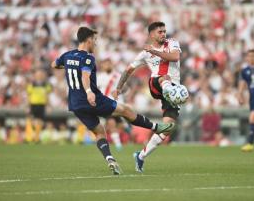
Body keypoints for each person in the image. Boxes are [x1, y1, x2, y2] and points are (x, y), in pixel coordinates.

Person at [51, 26, 174, 175]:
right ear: (89, 39)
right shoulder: (88, 58)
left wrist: (70, 66)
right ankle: (156, 127)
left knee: (100, 132)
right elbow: (84, 76)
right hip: (93, 99)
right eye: (94, 40)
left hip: (75, 104)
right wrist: (89, 92)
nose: (95, 43)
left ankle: (110, 158)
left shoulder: (67, 55)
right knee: (125, 110)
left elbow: (54, 64)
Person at [113, 21, 182, 172]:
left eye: (164, 31)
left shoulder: (172, 43)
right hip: (156, 84)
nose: (163, 34)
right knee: (164, 78)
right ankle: (170, 89)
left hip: (171, 91)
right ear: (151, 34)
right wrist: (118, 88)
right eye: (160, 32)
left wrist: (154, 51)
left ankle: (141, 156)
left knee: (167, 129)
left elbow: (175, 57)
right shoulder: (144, 54)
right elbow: (128, 70)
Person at [97, 58, 126, 151]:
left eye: (109, 63)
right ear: (102, 66)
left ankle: (104, 137)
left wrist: (119, 91)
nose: (107, 65)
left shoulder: (118, 76)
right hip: (106, 104)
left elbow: (126, 89)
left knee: (120, 126)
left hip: (118, 104)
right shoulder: (99, 77)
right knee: (111, 122)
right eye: (105, 64)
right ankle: (118, 145)